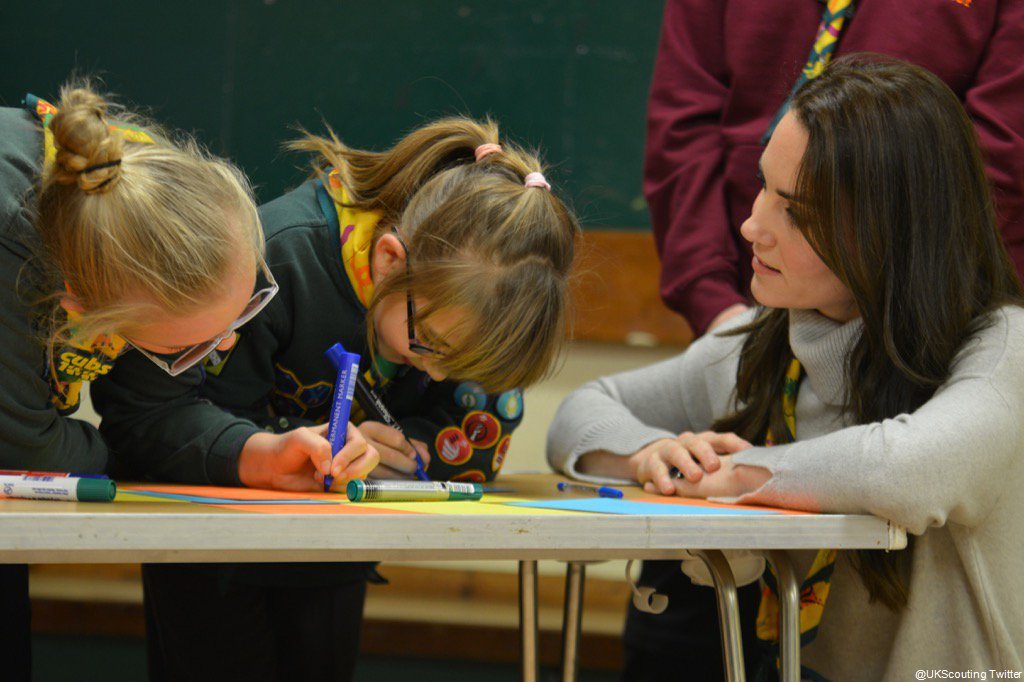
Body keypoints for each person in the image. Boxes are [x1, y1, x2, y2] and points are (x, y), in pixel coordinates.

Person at [549, 55, 1024, 679]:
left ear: (891, 230)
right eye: (762, 186)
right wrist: (649, 455)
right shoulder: (764, 342)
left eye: (794, 212)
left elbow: (909, 471)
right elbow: (578, 417)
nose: (751, 225)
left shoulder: (1002, 347)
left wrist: (732, 476)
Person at [93, 116, 580, 680]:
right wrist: (273, 448)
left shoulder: (488, 301)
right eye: (431, 347)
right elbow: (151, 417)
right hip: (212, 550)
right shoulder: (277, 256)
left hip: (334, 556)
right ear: (393, 260)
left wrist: (416, 449)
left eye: (466, 365)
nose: (442, 374)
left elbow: (478, 433)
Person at [0, 82, 370, 681]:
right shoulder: (17, 246)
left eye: (239, 316)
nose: (224, 347)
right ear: (79, 305)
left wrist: (257, 452)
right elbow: (23, 449)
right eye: (188, 347)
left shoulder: (141, 195)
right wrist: (124, 457)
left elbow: (153, 412)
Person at [646, 0, 1024, 337]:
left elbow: (999, 158)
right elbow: (682, 125)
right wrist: (717, 307)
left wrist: (900, 312)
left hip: (928, 319)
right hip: (746, 307)